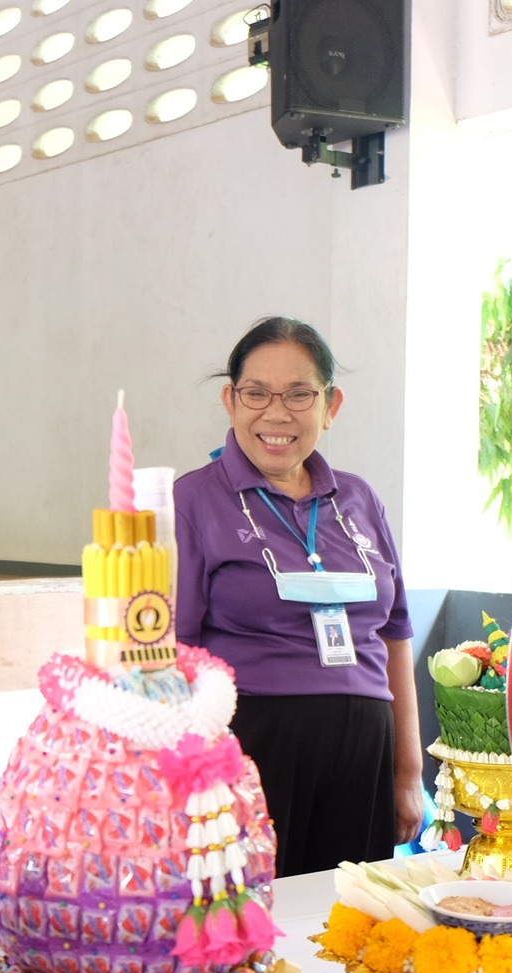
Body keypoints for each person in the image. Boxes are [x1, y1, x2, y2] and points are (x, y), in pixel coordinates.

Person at [174, 317, 423, 876]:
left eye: (299, 394)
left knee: (348, 931)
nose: (276, 413)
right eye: (256, 393)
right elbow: (174, 654)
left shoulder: (359, 500)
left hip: (363, 755)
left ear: (331, 406)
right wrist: (186, 782)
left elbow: (395, 636)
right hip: (248, 755)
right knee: (254, 931)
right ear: (230, 402)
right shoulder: (192, 500)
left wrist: (408, 773)